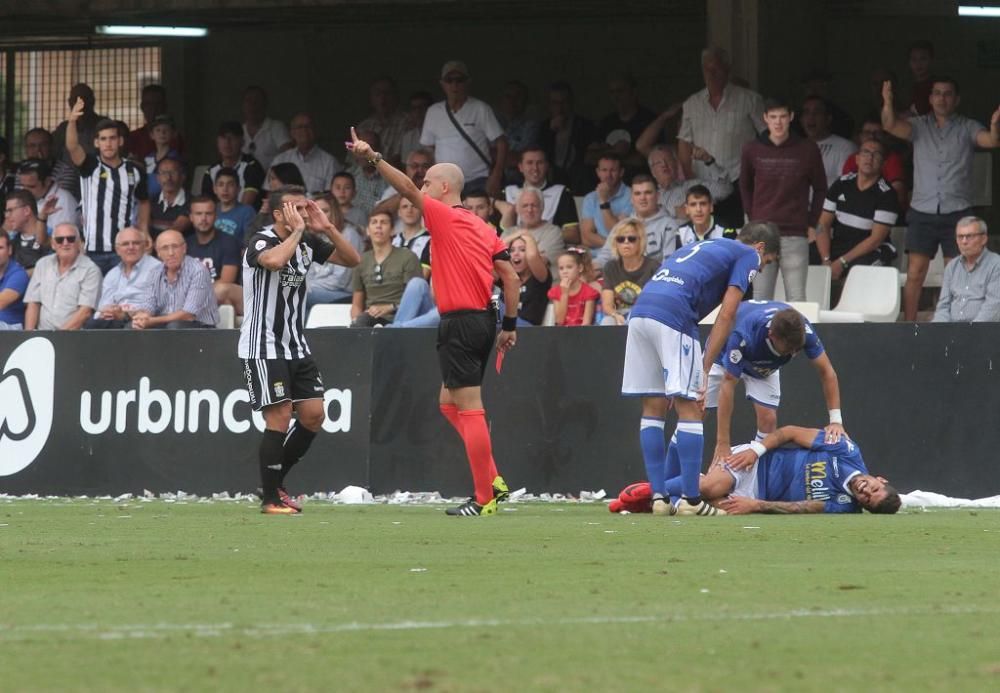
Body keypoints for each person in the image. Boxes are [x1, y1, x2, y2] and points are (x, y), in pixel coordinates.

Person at [347, 127, 520, 517]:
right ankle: (491, 477)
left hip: (460, 321)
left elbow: (406, 186)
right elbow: (511, 277)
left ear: (443, 188)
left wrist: (372, 157)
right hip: (484, 320)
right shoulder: (485, 227)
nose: (421, 188)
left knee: (470, 407)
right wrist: (509, 325)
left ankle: (484, 496)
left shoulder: (444, 217)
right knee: (448, 402)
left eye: (428, 182)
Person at [622, 222, 781, 516]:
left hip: (641, 311)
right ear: (760, 248)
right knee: (691, 407)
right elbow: (728, 312)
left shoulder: (701, 246)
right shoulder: (748, 254)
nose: (758, 271)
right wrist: (706, 366)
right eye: (765, 263)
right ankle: (692, 502)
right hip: (674, 314)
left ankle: (659, 498)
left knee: (653, 406)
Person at [238, 185, 361, 513]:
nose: (303, 214)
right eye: (296, 209)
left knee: (312, 415)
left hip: (296, 345)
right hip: (263, 345)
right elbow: (275, 262)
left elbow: (353, 259)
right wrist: (300, 233)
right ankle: (269, 499)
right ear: (278, 214)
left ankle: (274, 483)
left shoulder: (307, 242)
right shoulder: (262, 241)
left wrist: (328, 228)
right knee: (279, 415)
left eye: (304, 208)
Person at [881, 78, 1000, 321]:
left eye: (947, 94)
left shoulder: (967, 126)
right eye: (937, 93)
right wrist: (887, 102)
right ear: (930, 99)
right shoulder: (918, 126)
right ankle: (911, 327)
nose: (942, 98)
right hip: (922, 210)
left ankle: (953, 326)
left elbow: (991, 141)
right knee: (915, 273)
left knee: (956, 272)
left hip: (958, 212)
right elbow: (890, 125)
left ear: (956, 99)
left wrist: (995, 126)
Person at [615, 426, 901, 515]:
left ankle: (659, 497)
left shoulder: (844, 506)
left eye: (867, 500)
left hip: (756, 494)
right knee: (707, 489)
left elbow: (801, 507)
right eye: (873, 488)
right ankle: (654, 490)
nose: (865, 492)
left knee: (709, 509)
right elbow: (789, 432)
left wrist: (755, 505)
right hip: (753, 465)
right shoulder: (845, 450)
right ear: (880, 479)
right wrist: (756, 450)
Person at [706, 301, 844, 461]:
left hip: (765, 365)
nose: (793, 353)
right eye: (788, 350)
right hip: (724, 352)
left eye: (797, 349)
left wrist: (836, 421)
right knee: (697, 410)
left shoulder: (804, 331)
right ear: (771, 335)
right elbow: (728, 384)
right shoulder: (744, 335)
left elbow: (827, 372)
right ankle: (678, 471)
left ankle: (755, 476)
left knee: (768, 421)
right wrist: (723, 442)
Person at [740, 97, 826, 301]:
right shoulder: (752, 149)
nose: (778, 122)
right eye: (773, 117)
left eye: (782, 117)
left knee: (796, 297)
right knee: (761, 296)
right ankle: (761, 334)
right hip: (761, 232)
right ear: (765, 119)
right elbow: (744, 185)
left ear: (791, 118)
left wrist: (812, 222)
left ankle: (798, 334)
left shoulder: (807, 149)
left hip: (795, 231)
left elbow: (821, 187)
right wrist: (753, 219)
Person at [677, 48, 765, 229]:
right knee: (706, 233)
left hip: (739, 178)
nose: (711, 74)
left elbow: (766, 136)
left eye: (716, 69)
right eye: (707, 69)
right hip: (704, 181)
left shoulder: (749, 99)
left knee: (738, 232)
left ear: (727, 69)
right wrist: (690, 179)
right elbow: (684, 142)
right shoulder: (691, 104)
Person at [65, 97, 150, 274]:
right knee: (94, 299)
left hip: (124, 248)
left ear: (120, 141)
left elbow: (144, 201)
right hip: (93, 250)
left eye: (112, 138)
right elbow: (72, 146)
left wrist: (144, 231)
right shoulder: (89, 165)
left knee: (122, 298)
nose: (108, 143)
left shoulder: (135, 170)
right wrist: (72, 120)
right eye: (103, 139)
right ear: (96, 143)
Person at [814, 139, 900, 284]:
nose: (870, 158)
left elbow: (875, 240)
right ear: (857, 159)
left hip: (869, 251)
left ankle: (847, 306)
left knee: (859, 271)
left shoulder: (887, 194)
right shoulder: (841, 183)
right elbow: (822, 224)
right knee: (806, 256)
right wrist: (826, 259)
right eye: (865, 152)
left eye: (876, 154)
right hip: (839, 245)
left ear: (883, 163)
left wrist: (841, 262)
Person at [420, 60, 508, 197]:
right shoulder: (433, 112)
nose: (454, 85)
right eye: (449, 80)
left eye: (459, 80)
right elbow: (427, 149)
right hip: (445, 184)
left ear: (468, 82)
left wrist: (496, 175)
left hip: (478, 180)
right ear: (442, 84)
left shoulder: (480, 108)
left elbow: (501, 142)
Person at [130, 230, 218, 329]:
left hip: (201, 328)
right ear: (158, 252)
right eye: (165, 248)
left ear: (184, 248)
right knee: (133, 327)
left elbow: (188, 315)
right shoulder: (154, 272)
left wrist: (153, 321)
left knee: (174, 327)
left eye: (175, 247)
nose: (171, 253)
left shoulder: (198, 271)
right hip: (165, 324)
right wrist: (143, 316)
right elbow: (148, 304)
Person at [23, 223, 101, 330]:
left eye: (71, 239)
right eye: (60, 240)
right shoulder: (43, 264)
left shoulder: (91, 270)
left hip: (74, 338)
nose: (65, 243)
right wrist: (29, 335)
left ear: (79, 243)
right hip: (43, 336)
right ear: (53, 244)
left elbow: (85, 312)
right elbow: (33, 303)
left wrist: (59, 338)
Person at [350, 210, 421, 327]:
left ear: (392, 230)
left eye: (383, 222)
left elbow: (416, 298)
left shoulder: (408, 257)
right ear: (368, 230)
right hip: (370, 319)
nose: (378, 226)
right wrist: (356, 321)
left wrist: (390, 307)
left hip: (401, 318)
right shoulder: (360, 260)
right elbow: (357, 304)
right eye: (374, 222)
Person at [84, 227, 162, 329]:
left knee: (130, 327)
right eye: (125, 244)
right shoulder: (112, 274)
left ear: (144, 246)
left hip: (141, 320)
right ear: (117, 250)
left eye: (136, 243)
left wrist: (126, 314)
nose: (131, 247)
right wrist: (107, 312)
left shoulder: (157, 268)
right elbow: (103, 307)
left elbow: (157, 307)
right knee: (92, 325)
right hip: (114, 319)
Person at [502, 146, 580, 244]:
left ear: (547, 166)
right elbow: (495, 232)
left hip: (548, 246)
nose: (535, 168)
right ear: (520, 167)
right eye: (530, 163)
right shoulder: (509, 191)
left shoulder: (561, 192)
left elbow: (574, 235)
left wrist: (539, 234)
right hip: (513, 251)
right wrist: (494, 202)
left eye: (540, 163)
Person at [647, 144, 732, 228]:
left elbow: (725, 190)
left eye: (668, 160)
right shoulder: (647, 196)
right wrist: (674, 211)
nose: (664, 165)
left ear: (676, 165)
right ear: (652, 172)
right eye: (658, 163)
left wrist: (709, 160)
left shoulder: (693, 186)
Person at [933, 217, 1000, 323]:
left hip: (984, 331)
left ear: (984, 239)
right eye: (960, 237)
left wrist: (969, 333)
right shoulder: (952, 266)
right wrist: (940, 330)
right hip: (952, 331)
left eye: (969, 236)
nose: (964, 241)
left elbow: (993, 306)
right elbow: (943, 307)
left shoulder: (996, 265)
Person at [305, 193, 365, 310]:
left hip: (343, 293)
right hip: (316, 290)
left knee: (299, 294)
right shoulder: (315, 236)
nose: (319, 215)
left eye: (325, 211)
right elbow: (309, 272)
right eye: (315, 212)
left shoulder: (349, 234)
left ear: (335, 212)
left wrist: (308, 287)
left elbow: (340, 281)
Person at [185, 197, 243, 315]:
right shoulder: (185, 244)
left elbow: (226, 281)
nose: (203, 218)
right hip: (193, 300)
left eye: (208, 214)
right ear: (191, 217)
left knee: (220, 291)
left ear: (216, 216)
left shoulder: (229, 242)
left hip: (220, 296)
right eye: (198, 214)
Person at [539, 81, 597, 193]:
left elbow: (588, 156)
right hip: (552, 177)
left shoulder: (584, 125)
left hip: (578, 178)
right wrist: (551, 132)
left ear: (571, 103)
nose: (560, 107)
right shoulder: (544, 127)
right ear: (550, 105)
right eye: (555, 103)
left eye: (564, 102)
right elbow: (540, 154)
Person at [599, 218, 659, 326]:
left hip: (645, 316)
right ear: (616, 243)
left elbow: (656, 303)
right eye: (621, 239)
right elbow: (607, 304)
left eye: (631, 239)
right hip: (620, 315)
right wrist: (615, 315)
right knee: (607, 321)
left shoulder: (653, 267)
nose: (626, 242)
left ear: (640, 241)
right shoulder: (610, 267)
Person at [51, 84, 107, 199]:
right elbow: (53, 156)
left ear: (92, 101)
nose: (80, 103)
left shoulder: (104, 125)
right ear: (69, 102)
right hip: (67, 184)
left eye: (84, 98)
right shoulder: (63, 129)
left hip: (98, 179)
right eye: (76, 99)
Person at [840, 117, 907, 210]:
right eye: (867, 133)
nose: (872, 136)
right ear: (860, 136)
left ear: (885, 136)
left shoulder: (892, 158)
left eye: (877, 133)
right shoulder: (853, 159)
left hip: (889, 214)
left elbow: (898, 196)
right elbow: (845, 191)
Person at [268, 112, 343, 195]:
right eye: (299, 127)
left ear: (315, 130)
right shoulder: (280, 160)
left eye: (308, 126)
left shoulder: (329, 162)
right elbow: (270, 193)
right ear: (292, 133)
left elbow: (331, 197)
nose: (304, 130)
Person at [202, 121, 266, 209]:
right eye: (223, 138)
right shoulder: (211, 171)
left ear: (242, 142)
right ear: (217, 142)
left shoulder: (252, 166)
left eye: (232, 138)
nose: (227, 142)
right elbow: (206, 204)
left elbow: (246, 206)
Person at [800, 95, 857, 188]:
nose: (811, 116)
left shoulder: (845, 147)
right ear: (801, 120)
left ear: (828, 119)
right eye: (806, 112)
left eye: (817, 112)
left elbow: (845, 186)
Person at [579, 152, 632, 251]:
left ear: (621, 172)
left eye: (613, 170)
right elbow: (586, 238)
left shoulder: (632, 195)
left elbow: (617, 232)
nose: (608, 175)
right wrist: (613, 245)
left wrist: (604, 201)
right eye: (604, 170)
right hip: (595, 255)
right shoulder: (590, 198)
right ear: (598, 172)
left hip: (622, 255)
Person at [499, 186, 565, 264]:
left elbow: (538, 263)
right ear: (517, 209)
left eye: (534, 205)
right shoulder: (508, 232)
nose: (529, 210)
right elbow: (498, 260)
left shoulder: (554, 232)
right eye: (525, 206)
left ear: (542, 208)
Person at [15, 159, 79, 235]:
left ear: (47, 181)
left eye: (31, 186)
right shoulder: (27, 197)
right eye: (22, 186)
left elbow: (62, 240)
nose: (25, 190)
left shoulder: (64, 201)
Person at [357, 77, 409, 166]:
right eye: (377, 94)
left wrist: (374, 164)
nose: (382, 98)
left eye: (387, 93)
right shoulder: (364, 126)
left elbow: (401, 159)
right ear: (371, 98)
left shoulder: (407, 123)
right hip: (366, 176)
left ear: (396, 96)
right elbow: (353, 160)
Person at [127, 85, 185, 160]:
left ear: (164, 106)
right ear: (142, 107)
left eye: (157, 104)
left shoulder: (174, 138)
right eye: (149, 104)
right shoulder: (133, 138)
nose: (153, 108)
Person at [241, 86, 292, 170]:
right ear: (243, 105)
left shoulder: (276, 127)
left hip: (271, 181)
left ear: (264, 104)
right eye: (248, 101)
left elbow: (290, 157)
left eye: (257, 101)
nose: (252, 105)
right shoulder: (239, 131)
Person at [506, 233, 551, 326]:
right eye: (512, 250)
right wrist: (519, 233)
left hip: (528, 330)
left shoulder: (539, 278)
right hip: (505, 329)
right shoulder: (506, 277)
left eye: (522, 250)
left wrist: (527, 236)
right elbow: (496, 254)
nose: (516, 253)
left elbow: (532, 256)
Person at [547, 250, 599, 326]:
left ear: (580, 268)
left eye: (569, 267)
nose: (565, 271)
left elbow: (586, 323)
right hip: (562, 333)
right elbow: (559, 321)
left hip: (582, 334)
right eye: (561, 268)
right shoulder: (556, 291)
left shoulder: (589, 292)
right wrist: (564, 294)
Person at [343, 130, 388, 217]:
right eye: (359, 149)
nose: (363, 153)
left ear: (378, 150)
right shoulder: (349, 176)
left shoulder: (389, 177)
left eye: (368, 149)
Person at [3, 189, 50, 273]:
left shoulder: (54, 235)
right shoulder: (9, 239)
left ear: (26, 211)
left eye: (10, 210)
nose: (7, 215)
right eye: (6, 211)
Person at [23, 127, 77, 196]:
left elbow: (57, 199)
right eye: (32, 146)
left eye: (43, 145)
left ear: (51, 147)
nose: (38, 150)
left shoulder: (66, 171)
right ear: (26, 149)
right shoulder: (21, 170)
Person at [149, 157, 191, 240]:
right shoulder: (151, 201)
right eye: (163, 173)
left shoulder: (191, 202)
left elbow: (176, 229)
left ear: (182, 177)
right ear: (157, 178)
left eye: (173, 172)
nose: (168, 178)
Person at [142, 114, 182, 200]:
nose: (162, 133)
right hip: (148, 201)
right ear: (152, 135)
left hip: (167, 200)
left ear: (173, 133)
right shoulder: (148, 158)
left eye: (166, 130)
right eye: (158, 130)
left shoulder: (176, 158)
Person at [212, 167, 256, 243]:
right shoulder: (210, 210)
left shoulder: (247, 212)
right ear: (215, 189)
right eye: (221, 184)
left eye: (230, 185)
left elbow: (249, 242)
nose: (225, 189)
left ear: (238, 189)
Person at [0, 233, 29, 330]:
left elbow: (1, 302)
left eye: (0, 248)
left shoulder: (19, 274)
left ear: (9, 250)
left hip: (11, 328)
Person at [907, 40, 935, 116]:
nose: (918, 64)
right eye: (914, 59)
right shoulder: (910, 87)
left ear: (931, 60)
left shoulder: (936, 86)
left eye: (923, 59)